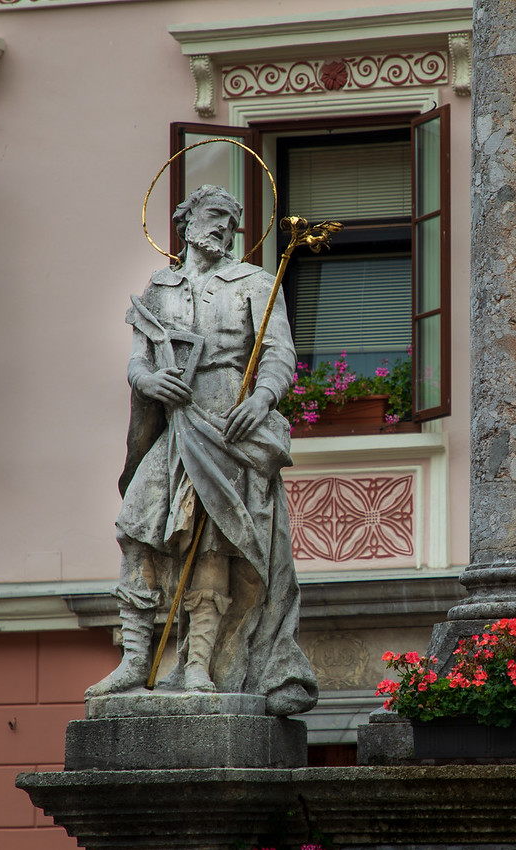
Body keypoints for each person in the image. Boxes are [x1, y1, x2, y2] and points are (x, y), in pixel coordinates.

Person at [86, 185, 318, 715]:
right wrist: (150, 382)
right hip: (175, 428)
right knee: (136, 531)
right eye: (215, 215)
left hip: (229, 428)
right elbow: (138, 360)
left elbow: (279, 353)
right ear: (186, 220)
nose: (224, 227)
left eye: (232, 222)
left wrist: (262, 398)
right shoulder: (159, 288)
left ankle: (198, 664)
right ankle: (135, 660)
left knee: (213, 544)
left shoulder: (255, 282)